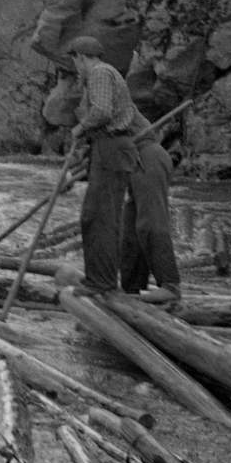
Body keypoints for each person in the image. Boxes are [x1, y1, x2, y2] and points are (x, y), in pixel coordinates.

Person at [69, 35, 138, 296]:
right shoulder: (104, 73)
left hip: (112, 148)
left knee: (102, 218)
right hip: (107, 148)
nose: (76, 66)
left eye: (75, 60)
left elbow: (102, 112)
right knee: (93, 216)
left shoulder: (98, 73)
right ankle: (96, 278)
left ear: (80, 57)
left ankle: (103, 283)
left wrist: (80, 128)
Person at [121, 109, 183, 304]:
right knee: (130, 229)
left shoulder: (103, 92)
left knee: (150, 222)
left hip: (148, 157)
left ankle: (170, 286)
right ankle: (132, 289)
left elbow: (100, 126)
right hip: (132, 159)